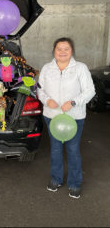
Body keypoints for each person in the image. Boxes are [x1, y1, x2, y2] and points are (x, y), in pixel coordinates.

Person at [37, 37, 95, 199]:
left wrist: (74, 102)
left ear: (72, 51)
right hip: (52, 116)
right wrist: (46, 100)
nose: (62, 52)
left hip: (74, 117)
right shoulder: (47, 68)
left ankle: (75, 183)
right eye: (59, 49)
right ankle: (56, 179)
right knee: (55, 149)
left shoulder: (80, 68)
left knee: (73, 149)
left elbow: (90, 91)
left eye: (66, 49)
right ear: (54, 51)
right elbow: (40, 89)